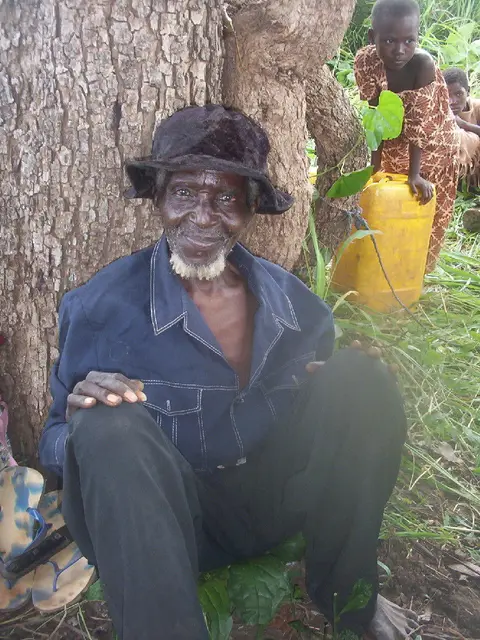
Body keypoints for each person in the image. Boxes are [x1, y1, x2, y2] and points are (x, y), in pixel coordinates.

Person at [39, 104, 417, 640]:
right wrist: (82, 419)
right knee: (105, 422)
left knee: (364, 380)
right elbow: (52, 442)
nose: (202, 216)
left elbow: (327, 423)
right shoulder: (99, 309)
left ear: (251, 207)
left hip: (272, 505)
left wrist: (337, 388)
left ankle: (347, 594)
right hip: (162, 531)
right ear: (158, 198)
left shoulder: (298, 309)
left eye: (225, 198)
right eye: (184, 192)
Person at [354, 0, 459, 272]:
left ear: (417, 38)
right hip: (395, 139)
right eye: (389, 40)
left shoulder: (421, 65)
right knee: (390, 204)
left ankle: (414, 272)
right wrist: (374, 165)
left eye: (409, 41)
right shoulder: (366, 62)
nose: (400, 50)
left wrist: (415, 174)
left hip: (434, 143)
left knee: (424, 209)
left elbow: (418, 126)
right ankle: (384, 266)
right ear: (372, 37)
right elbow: (376, 115)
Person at [443, 67, 480, 190]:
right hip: (453, 173)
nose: (452, 101)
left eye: (458, 94)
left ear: (468, 92)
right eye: (446, 95)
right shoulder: (438, 114)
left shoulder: (476, 107)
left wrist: (463, 124)